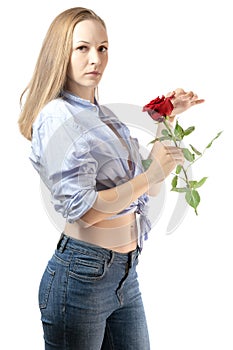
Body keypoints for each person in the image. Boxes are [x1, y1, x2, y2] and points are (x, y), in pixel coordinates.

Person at [18, 7, 204, 350]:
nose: (95, 59)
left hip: (125, 273)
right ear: (61, 52)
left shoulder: (105, 117)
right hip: (81, 276)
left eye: (103, 48)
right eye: (82, 48)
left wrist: (165, 119)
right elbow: (85, 210)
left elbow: (146, 188)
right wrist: (149, 177)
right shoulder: (56, 116)